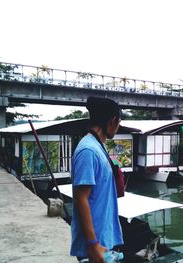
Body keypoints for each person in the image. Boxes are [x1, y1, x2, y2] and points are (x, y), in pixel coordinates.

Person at [70, 97, 123, 262]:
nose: (119, 126)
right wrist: (93, 244)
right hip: (94, 245)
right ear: (112, 121)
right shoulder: (88, 150)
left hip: (103, 238)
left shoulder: (98, 146)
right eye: (119, 121)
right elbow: (81, 198)